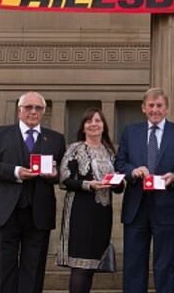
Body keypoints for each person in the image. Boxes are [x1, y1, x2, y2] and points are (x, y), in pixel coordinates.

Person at [0, 91, 65, 293]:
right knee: (2, 268)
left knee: (33, 269)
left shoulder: (56, 139)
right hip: (5, 210)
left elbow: (62, 173)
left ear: (43, 111)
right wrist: (15, 171)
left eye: (38, 108)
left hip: (39, 211)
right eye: (29, 107)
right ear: (19, 110)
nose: (33, 111)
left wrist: (54, 173)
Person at [115, 88, 174, 293]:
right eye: (151, 105)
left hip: (167, 204)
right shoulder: (130, 132)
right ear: (143, 108)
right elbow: (120, 163)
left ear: (166, 109)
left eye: (159, 106)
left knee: (166, 264)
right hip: (136, 205)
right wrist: (133, 171)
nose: (155, 109)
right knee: (133, 264)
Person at [56, 108, 123, 293]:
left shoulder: (109, 152)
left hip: (102, 215)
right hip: (80, 212)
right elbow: (64, 180)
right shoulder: (74, 149)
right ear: (83, 127)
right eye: (89, 121)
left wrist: (117, 182)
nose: (93, 124)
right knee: (80, 266)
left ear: (104, 126)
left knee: (92, 266)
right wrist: (88, 185)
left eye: (98, 121)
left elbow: (118, 188)